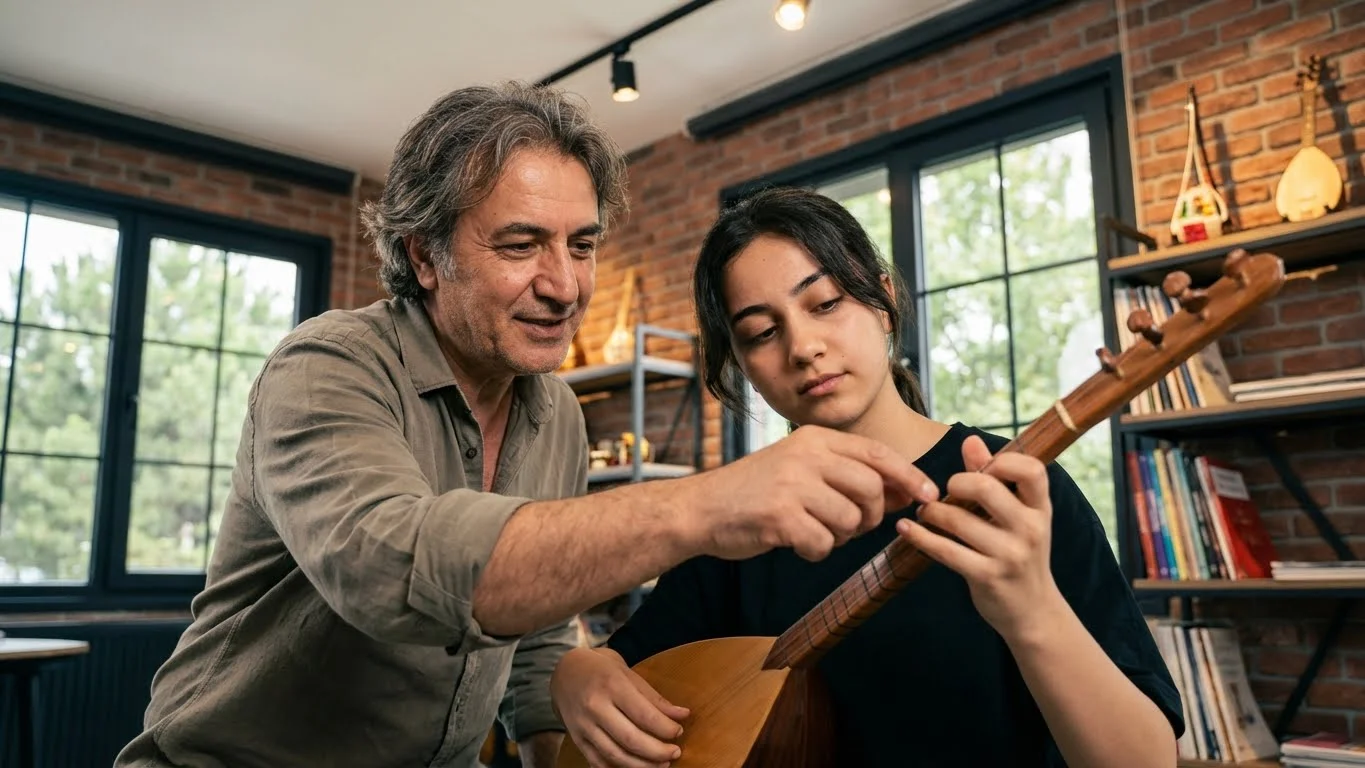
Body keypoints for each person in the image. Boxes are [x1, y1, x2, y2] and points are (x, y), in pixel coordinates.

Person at [114, 84, 943, 768]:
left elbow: (534, 642)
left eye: (581, 245)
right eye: (521, 245)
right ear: (425, 256)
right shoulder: (326, 366)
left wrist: (561, 715)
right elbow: (393, 567)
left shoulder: (556, 418)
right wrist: (706, 504)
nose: (564, 285)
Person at [548, 186, 1186, 768]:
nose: (803, 347)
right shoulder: (739, 520)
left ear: (883, 302)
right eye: (762, 333)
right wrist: (576, 674)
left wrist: (1032, 609)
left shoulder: (1016, 494)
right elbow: (626, 668)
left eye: (826, 303)